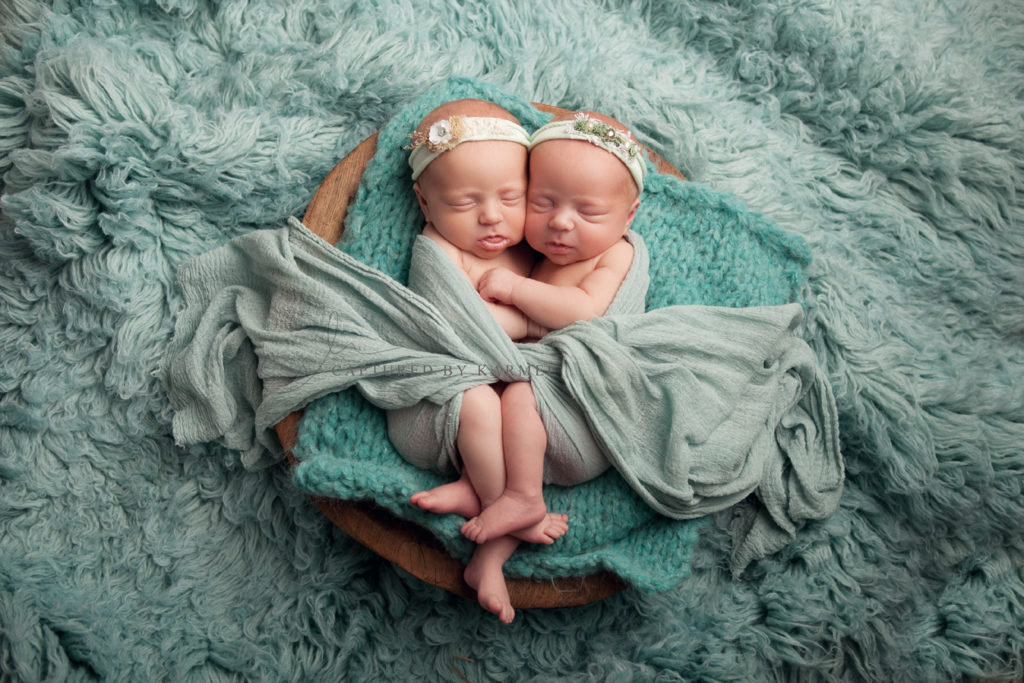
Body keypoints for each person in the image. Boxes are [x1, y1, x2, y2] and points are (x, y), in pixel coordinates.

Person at [393, 98, 567, 623]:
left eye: (511, 197)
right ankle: (510, 517)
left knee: (522, 408)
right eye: (466, 203)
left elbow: (569, 317)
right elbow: (465, 330)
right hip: (438, 399)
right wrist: (534, 320)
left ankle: (484, 513)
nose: (492, 216)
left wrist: (537, 317)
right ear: (426, 204)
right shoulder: (440, 251)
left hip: (509, 399)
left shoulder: (531, 248)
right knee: (479, 402)